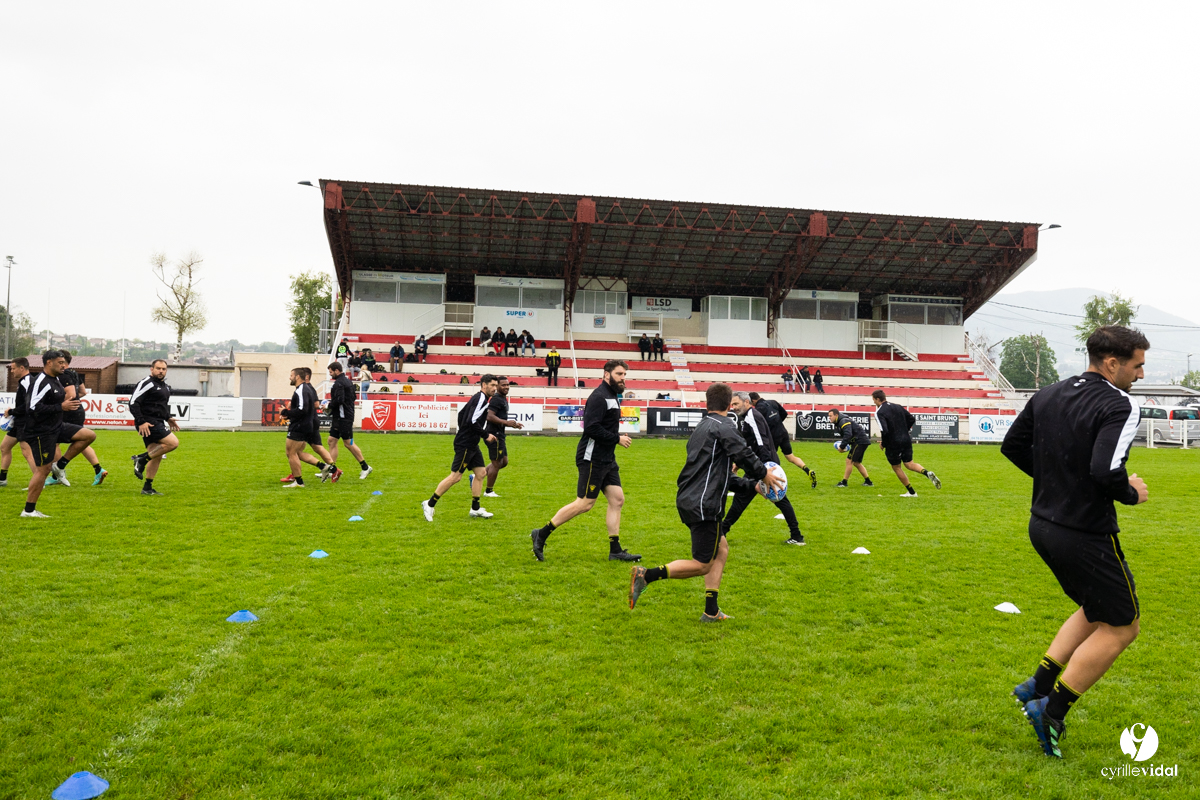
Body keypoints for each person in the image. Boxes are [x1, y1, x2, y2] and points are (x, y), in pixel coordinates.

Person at [1001, 326, 1150, 760]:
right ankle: (1051, 711)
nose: (1141, 374)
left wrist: (1056, 483)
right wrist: (1130, 492)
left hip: (1042, 525)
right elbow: (1106, 472)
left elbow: (1012, 446)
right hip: (1083, 532)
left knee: (1094, 607)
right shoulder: (1119, 404)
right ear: (1111, 363)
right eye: (1137, 365)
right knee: (1123, 625)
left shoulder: (1048, 392)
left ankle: (1039, 683)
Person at [628, 382, 784, 621]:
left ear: (707, 402)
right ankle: (646, 575)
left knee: (721, 550)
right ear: (728, 403)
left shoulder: (703, 426)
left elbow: (718, 473)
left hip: (693, 497)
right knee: (702, 564)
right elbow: (743, 453)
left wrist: (750, 485)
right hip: (703, 502)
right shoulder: (724, 426)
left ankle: (711, 611)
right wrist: (764, 474)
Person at [530, 360, 640, 562]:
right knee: (585, 503)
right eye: (619, 374)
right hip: (592, 458)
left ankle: (615, 550)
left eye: (624, 374)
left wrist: (615, 436)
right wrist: (617, 438)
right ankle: (542, 533)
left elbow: (604, 425)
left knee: (617, 499)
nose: (623, 378)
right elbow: (590, 428)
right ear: (607, 375)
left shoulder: (613, 396)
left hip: (607, 458)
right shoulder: (599, 397)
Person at [19, 350, 98, 518]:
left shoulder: (55, 380)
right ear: (49, 362)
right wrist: (60, 407)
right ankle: (28, 510)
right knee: (42, 470)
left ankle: (60, 465)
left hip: (57, 426)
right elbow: (32, 408)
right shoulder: (40, 381)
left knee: (89, 435)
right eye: (60, 362)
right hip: (41, 432)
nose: (64, 365)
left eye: (64, 362)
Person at [724, 392, 806, 546]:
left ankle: (721, 532)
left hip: (761, 466)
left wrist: (765, 469)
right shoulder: (748, 417)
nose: (733, 407)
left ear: (747, 402)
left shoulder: (752, 416)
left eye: (736, 404)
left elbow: (762, 442)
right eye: (732, 405)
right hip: (758, 465)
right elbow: (750, 444)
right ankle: (797, 536)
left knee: (742, 500)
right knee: (779, 499)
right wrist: (740, 464)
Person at [422, 375, 500, 520]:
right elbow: (471, 420)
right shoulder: (481, 399)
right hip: (465, 444)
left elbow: (461, 414)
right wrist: (484, 435)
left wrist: (465, 431)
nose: (495, 388)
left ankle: (475, 508)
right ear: (484, 385)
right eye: (492, 385)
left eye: (496, 385)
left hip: (471, 442)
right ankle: (430, 503)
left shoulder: (479, 398)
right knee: (455, 477)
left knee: (481, 473)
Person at [872, 389, 940, 496]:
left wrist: (883, 444)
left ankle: (912, 492)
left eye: (874, 400)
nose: (874, 403)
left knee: (896, 467)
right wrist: (904, 431)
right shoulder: (898, 406)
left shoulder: (879, 412)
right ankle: (927, 473)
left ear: (877, 399)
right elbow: (911, 419)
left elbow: (884, 430)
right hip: (906, 439)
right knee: (909, 463)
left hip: (894, 443)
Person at [128, 359, 180, 496]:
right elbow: (133, 402)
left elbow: (160, 407)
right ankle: (141, 459)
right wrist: (141, 421)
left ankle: (147, 487)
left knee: (155, 454)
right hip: (148, 423)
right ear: (151, 369)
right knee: (173, 443)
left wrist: (168, 418)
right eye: (158, 368)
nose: (161, 371)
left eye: (163, 369)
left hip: (158, 422)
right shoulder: (146, 383)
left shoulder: (165, 386)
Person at [55, 351, 107, 486]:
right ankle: (98, 469)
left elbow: (71, 394)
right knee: (80, 440)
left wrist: (61, 404)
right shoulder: (74, 373)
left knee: (54, 440)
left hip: (68, 411)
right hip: (78, 411)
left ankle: (57, 475)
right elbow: (83, 392)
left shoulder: (63, 375)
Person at [280, 367, 338, 487]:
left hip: (300, 426)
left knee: (291, 453)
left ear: (297, 377)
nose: (289, 378)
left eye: (291, 375)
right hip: (305, 425)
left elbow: (302, 409)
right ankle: (325, 467)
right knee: (297, 453)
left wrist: (286, 412)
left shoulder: (301, 390)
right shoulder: (305, 389)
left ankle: (299, 482)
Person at [748, 392, 816, 487]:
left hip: (772, 436)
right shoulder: (773, 402)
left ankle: (774, 479)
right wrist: (778, 423)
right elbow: (784, 413)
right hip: (783, 432)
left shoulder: (758, 409)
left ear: (753, 401)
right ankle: (808, 470)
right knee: (790, 457)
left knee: (770, 458)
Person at [326, 362, 372, 479]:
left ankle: (365, 467)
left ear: (337, 370)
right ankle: (332, 469)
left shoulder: (339, 383)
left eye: (331, 372)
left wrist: (328, 406)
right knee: (332, 440)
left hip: (343, 418)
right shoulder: (348, 381)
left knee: (349, 443)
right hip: (342, 417)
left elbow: (339, 400)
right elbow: (353, 398)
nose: (330, 375)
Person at [481, 375, 523, 498]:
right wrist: (506, 423)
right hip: (494, 435)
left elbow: (500, 417)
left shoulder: (503, 398)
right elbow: (489, 416)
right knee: (497, 463)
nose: (506, 387)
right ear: (497, 386)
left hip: (500, 434)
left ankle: (479, 475)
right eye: (503, 385)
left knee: (503, 462)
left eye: (507, 385)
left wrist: (513, 424)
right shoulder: (496, 399)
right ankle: (488, 491)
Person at [1, 358, 35, 487]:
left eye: (14, 368)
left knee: (27, 452)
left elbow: (29, 405)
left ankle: (39, 481)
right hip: (19, 421)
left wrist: (11, 412)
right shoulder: (24, 381)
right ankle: (2, 479)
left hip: (26, 422)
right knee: (4, 447)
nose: (12, 371)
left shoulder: (27, 382)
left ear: (22, 368)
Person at [829, 408, 872, 487]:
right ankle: (868, 482)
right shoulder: (840, 421)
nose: (829, 418)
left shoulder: (843, 421)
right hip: (861, 441)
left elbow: (848, 434)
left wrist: (842, 447)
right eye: (829, 416)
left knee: (849, 461)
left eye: (831, 416)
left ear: (836, 415)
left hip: (859, 441)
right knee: (856, 463)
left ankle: (844, 482)